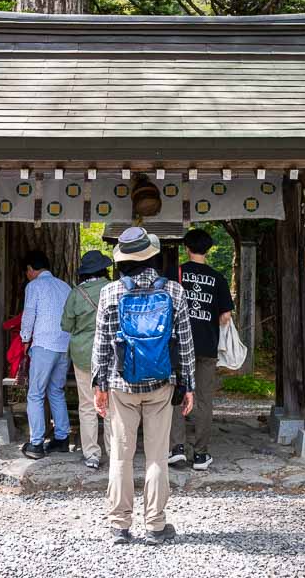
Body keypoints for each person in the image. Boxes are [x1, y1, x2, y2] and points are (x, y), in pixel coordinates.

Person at [92, 227, 195, 546]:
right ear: (153, 255)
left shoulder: (110, 293)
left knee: (121, 456)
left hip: (122, 385)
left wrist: (99, 385)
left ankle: (120, 526)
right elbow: (184, 342)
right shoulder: (174, 291)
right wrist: (188, 384)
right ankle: (155, 525)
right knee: (156, 456)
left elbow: (102, 345)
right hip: (161, 385)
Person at [168, 228, 234, 471]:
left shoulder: (176, 275)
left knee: (176, 394)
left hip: (177, 345)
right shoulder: (218, 278)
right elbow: (225, 316)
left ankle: (176, 449)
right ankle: (200, 454)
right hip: (206, 345)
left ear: (187, 247)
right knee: (204, 399)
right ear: (208, 249)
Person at [60, 250, 113, 470]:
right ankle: (115, 452)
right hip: (111, 354)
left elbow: (66, 325)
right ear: (103, 269)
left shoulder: (76, 294)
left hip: (83, 354)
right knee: (112, 405)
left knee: (87, 405)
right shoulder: (114, 289)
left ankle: (91, 453)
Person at [19, 250, 73, 460]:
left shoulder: (34, 286)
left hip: (44, 344)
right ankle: (61, 438)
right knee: (56, 391)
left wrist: (25, 339)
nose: (27, 275)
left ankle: (36, 443)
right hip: (63, 345)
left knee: (35, 393)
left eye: (27, 271)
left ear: (31, 269)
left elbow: (29, 314)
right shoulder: (64, 286)